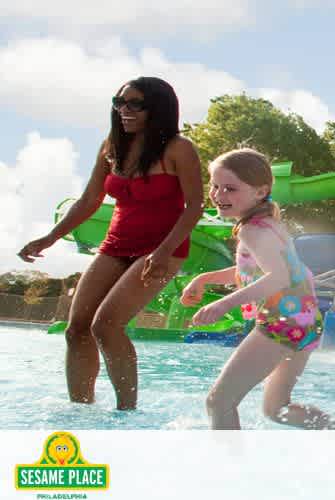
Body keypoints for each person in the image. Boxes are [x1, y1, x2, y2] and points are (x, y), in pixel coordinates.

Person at [17, 77, 203, 410]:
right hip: (117, 245)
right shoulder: (111, 146)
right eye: (119, 103)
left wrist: (162, 252)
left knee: (106, 325)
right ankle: (81, 409)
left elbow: (194, 207)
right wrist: (49, 237)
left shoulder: (179, 149)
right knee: (76, 329)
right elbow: (90, 199)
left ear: (157, 108)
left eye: (135, 104)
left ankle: (126, 412)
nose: (124, 111)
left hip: (163, 248)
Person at [183, 148, 335, 430]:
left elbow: (276, 277)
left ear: (260, 191)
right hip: (305, 321)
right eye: (215, 186)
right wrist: (206, 279)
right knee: (277, 409)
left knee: (219, 402)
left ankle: (230, 469)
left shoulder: (252, 230)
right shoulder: (268, 224)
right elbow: (252, 272)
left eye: (230, 188)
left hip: (282, 323)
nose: (218, 195)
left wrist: (222, 304)